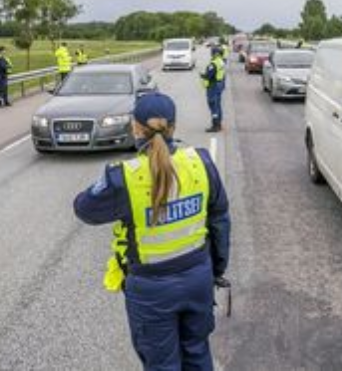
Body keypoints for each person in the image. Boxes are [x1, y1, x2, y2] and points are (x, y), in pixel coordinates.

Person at [74, 92, 231, 371]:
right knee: (197, 352)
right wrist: (216, 270)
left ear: (135, 128)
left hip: (151, 291)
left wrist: (108, 178)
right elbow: (220, 221)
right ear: (173, 127)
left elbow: (84, 209)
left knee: (162, 364)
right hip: (198, 277)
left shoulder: (124, 176)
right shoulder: (202, 163)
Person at [201, 46, 226, 132]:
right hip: (219, 84)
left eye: (212, 52)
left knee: (213, 105)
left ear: (215, 53)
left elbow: (208, 76)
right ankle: (219, 124)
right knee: (218, 105)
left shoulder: (213, 64)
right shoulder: (221, 61)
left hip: (213, 86)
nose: (211, 54)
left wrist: (202, 75)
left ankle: (215, 126)